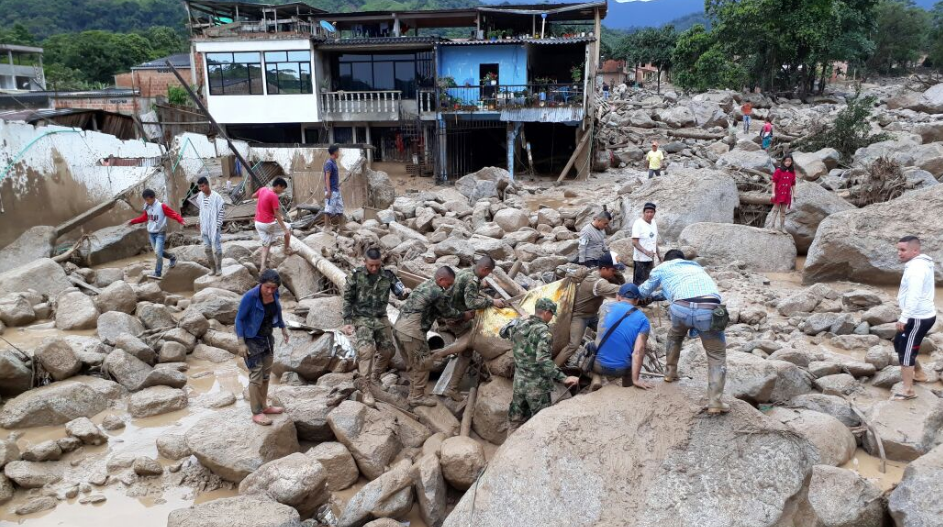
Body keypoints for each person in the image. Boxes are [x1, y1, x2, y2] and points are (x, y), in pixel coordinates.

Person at [639, 250, 729, 415]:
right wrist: (655, 297)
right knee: (717, 356)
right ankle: (715, 402)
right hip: (709, 309)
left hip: (680, 309)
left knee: (675, 335)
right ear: (682, 259)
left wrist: (633, 294)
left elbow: (643, 292)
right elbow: (682, 292)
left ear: (666, 260)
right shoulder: (696, 267)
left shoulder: (663, 267)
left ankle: (670, 373)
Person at [393, 266, 470, 408]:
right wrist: (465, 315)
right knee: (424, 363)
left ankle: (413, 392)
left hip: (399, 327)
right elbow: (448, 312)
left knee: (411, 363)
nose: (449, 287)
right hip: (412, 332)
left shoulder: (425, 284)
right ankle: (417, 397)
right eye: (448, 284)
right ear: (441, 280)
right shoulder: (437, 292)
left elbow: (434, 310)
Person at [341, 248, 410, 400]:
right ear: (364, 262)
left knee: (388, 351)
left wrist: (405, 292)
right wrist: (347, 321)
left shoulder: (388, 275)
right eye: (371, 265)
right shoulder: (356, 275)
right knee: (366, 350)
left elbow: (400, 291)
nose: (374, 268)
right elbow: (347, 299)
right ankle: (365, 388)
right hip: (362, 317)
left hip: (380, 317)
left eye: (377, 265)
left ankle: (375, 376)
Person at [505, 298, 579, 433]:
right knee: (540, 422)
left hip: (519, 381)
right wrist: (564, 378)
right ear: (546, 313)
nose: (551, 318)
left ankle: (508, 448)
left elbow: (502, 331)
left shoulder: (520, 324)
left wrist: (519, 320)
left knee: (515, 419)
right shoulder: (544, 333)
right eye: (551, 314)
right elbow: (543, 361)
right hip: (536, 385)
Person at [441, 256, 506, 400]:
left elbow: (465, 290)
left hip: (452, 313)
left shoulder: (466, 272)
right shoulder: (472, 280)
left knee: (466, 346)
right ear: (484, 269)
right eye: (488, 273)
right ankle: (451, 387)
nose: (487, 276)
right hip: (457, 318)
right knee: (466, 351)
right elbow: (471, 303)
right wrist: (492, 301)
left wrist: (480, 287)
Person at [235, 269, 288, 426]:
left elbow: (277, 310)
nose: (270, 291)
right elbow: (239, 319)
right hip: (251, 339)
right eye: (267, 287)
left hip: (266, 337)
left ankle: (264, 406)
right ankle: (256, 412)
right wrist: (241, 343)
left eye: (273, 288)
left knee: (266, 375)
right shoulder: (250, 297)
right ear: (261, 284)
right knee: (256, 376)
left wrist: (283, 327)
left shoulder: (274, 294)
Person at [556, 254, 624, 366]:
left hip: (592, 315)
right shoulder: (596, 282)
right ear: (603, 269)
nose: (614, 273)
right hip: (579, 316)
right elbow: (618, 289)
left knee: (611, 333)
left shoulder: (602, 275)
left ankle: (606, 361)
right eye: (613, 270)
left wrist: (616, 271)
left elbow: (621, 282)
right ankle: (552, 369)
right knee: (573, 345)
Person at [892, 236, 936, 401]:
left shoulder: (916, 270)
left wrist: (904, 318)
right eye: (898, 249)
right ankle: (919, 373)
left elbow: (914, 296)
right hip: (916, 314)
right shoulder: (919, 264)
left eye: (903, 250)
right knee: (898, 343)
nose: (899, 253)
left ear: (915, 251)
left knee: (906, 352)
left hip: (917, 317)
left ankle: (908, 390)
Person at [590, 284, 651, 389]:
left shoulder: (605, 307)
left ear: (618, 296)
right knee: (633, 348)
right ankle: (628, 386)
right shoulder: (643, 320)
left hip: (598, 365)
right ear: (636, 300)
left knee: (591, 345)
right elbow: (638, 351)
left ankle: (596, 377)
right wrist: (636, 379)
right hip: (621, 370)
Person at [128, 188, 186, 279]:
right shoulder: (146, 206)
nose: (147, 202)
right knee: (158, 252)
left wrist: (180, 220)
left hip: (160, 233)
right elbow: (144, 218)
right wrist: (133, 221)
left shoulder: (161, 206)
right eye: (145, 200)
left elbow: (173, 214)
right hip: (151, 233)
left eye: (148, 200)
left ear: (153, 198)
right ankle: (172, 257)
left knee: (157, 253)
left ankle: (158, 273)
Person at [253, 177, 292, 272]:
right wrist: (284, 229)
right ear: (278, 186)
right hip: (267, 224)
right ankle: (286, 249)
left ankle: (263, 267)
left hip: (258, 223)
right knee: (289, 227)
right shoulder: (273, 196)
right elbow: (277, 214)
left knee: (266, 245)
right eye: (282, 189)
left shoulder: (263, 189)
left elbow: (253, 196)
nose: (282, 191)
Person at [196, 176, 225, 276]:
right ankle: (212, 268)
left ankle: (219, 268)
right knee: (207, 249)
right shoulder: (200, 196)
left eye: (202, 186)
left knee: (217, 249)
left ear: (207, 185)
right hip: (204, 226)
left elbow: (221, 211)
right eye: (199, 187)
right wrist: (198, 221)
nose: (201, 189)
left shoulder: (217, 197)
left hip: (214, 226)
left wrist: (218, 224)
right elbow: (201, 210)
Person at [631, 202, 660, 285]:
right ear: (643, 213)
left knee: (649, 281)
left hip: (650, 258)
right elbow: (634, 242)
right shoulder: (638, 223)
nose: (649, 214)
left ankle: (648, 297)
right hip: (640, 259)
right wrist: (646, 252)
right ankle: (637, 297)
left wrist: (659, 255)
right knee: (639, 283)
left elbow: (654, 240)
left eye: (651, 212)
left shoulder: (653, 223)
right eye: (647, 212)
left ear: (654, 213)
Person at [770, 155, 797, 232]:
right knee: (775, 210)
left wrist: (795, 193)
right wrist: (773, 192)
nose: (788, 162)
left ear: (791, 162)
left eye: (789, 161)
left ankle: (782, 227)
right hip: (778, 192)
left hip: (786, 194)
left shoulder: (792, 172)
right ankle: (772, 227)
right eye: (786, 161)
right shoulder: (778, 170)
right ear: (783, 161)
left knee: (783, 211)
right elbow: (774, 181)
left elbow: (793, 183)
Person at [324, 144, 343, 232]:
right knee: (328, 209)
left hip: (336, 190)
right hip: (331, 191)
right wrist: (328, 191)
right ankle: (326, 227)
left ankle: (342, 226)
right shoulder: (329, 163)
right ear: (335, 152)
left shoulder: (334, 162)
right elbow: (327, 177)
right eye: (338, 151)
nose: (339, 153)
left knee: (340, 207)